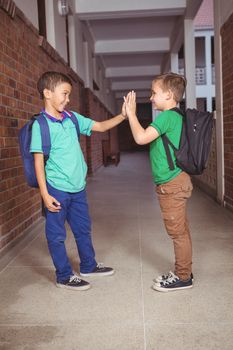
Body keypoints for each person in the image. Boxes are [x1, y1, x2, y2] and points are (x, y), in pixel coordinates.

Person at [30, 71, 127, 291]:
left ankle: (88, 266)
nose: (67, 99)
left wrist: (123, 115)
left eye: (69, 94)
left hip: (78, 188)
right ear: (47, 93)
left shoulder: (72, 118)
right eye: (64, 94)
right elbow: (38, 163)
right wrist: (45, 194)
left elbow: (100, 127)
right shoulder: (41, 125)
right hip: (56, 189)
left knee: (83, 229)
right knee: (56, 235)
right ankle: (64, 276)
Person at [124, 72, 193, 292]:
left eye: (154, 93)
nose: (151, 98)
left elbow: (141, 138)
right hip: (175, 181)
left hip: (172, 184)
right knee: (181, 230)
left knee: (177, 232)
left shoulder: (166, 117)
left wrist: (132, 114)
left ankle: (183, 277)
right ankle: (184, 271)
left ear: (169, 94)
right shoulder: (175, 116)